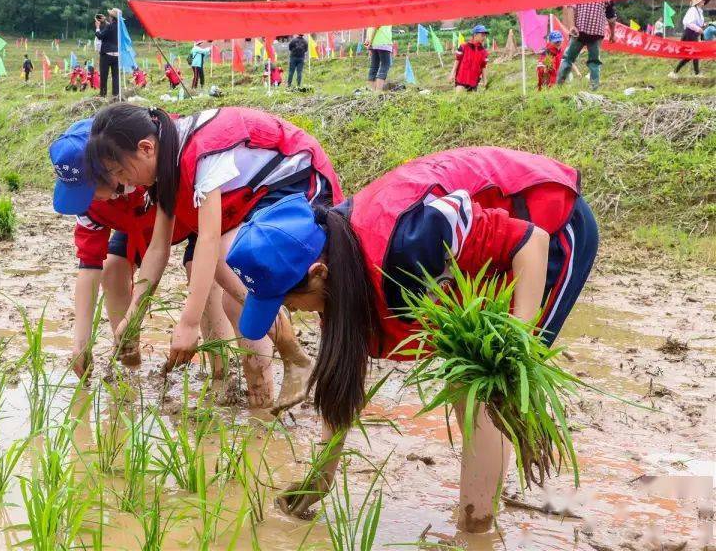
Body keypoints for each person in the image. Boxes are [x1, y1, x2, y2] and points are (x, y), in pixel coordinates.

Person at [224, 147, 598, 530]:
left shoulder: (409, 243)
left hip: (548, 224)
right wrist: (320, 481)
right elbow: (343, 376)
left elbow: (528, 242)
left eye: (288, 300)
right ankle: (482, 503)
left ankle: (476, 528)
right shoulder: (338, 262)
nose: (295, 311)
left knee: (480, 380)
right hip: (478, 258)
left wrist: (512, 351)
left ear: (317, 273)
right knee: (470, 377)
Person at [85, 104, 344, 411]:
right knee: (232, 302)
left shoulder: (201, 152)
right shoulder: (165, 168)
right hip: (257, 197)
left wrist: (189, 321)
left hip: (299, 182)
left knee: (227, 256)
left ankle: (295, 356)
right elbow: (158, 249)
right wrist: (132, 317)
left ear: (146, 148)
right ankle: (261, 407)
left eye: (120, 171)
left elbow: (208, 239)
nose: (122, 183)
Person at [49, 119, 232, 381]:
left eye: (88, 191)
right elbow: (88, 265)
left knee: (202, 273)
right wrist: (81, 343)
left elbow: (162, 248)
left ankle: (221, 370)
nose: (88, 200)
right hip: (137, 226)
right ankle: (129, 360)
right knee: (112, 269)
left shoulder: (144, 170)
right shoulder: (93, 205)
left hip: (189, 215)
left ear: (111, 169)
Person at [558, 0, 616, 90]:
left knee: (568, 59)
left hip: (579, 30)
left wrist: (572, 26)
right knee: (595, 62)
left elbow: (571, 7)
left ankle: (558, 86)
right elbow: (611, 18)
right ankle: (594, 88)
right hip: (595, 33)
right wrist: (612, 34)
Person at [669, 0, 711, 78]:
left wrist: (703, 25)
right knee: (695, 53)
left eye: (704, 0)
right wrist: (698, 28)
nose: (704, 1)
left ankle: (674, 72)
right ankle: (696, 73)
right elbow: (687, 22)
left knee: (691, 55)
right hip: (689, 34)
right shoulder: (692, 10)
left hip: (693, 34)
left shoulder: (699, 11)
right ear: (698, 1)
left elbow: (697, 23)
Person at [365, 0, 396, 91]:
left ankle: (371, 91)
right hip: (383, 41)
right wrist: (370, 42)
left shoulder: (374, 7)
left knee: (374, 66)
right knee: (385, 65)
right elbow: (376, 26)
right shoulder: (385, 8)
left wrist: (368, 43)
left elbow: (370, 27)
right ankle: (378, 91)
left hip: (374, 42)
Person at [452, 24, 490, 92]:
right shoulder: (463, 47)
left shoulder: (484, 52)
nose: (484, 37)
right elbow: (457, 60)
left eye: (485, 35)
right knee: (457, 100)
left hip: (474, 82)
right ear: (475, 35)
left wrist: (485, 80)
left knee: (470, 102)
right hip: (461, 80)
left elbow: (483, 67)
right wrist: (452, 74)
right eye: (482, 35)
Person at [94, 10, 120, 97]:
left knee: (104, 75)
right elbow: (110, 27)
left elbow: (100, 36)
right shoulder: (119, 27)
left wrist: (97, 27)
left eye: (109, 16)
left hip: (106, 54)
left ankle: (103, 94)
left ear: (112, 17)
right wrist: (104, 21)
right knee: (115, 76)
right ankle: (116, 95)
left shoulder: (110, 26)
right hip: (117, 54)